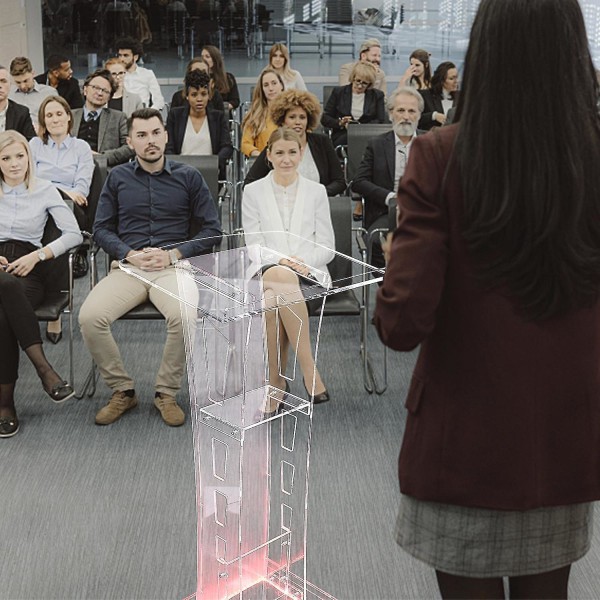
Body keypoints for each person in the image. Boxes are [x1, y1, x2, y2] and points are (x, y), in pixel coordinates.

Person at [374, 1, 600, 598]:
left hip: (463, 441)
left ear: (485, 53)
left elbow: (401, 322)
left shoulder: (439, 155)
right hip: (562, 436)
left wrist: (400, 245)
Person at [79, 108, 222, 427]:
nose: (150, 141)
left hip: (173, 267)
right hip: (129, 268)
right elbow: (100, 229)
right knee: (89, 317)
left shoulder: (189, 177)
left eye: (155, 133)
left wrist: (173, 254)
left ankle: (166, 393)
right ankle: (123, 390)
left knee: (185, 315)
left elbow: (213, 231)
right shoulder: (117, 178)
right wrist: (127, 253)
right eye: (141, 135)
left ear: (166, 135)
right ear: (130, 142)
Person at [242, 127, 333, 411]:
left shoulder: (317, 191)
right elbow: (253, 246)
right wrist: (282, 262)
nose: (286, 159)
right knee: (280, 278)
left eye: (292, 152)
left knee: (272, 301)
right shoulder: (252, 191)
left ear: (301, 153)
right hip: (266, 269)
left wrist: (301, 263)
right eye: (279, 153)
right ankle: (310, 371)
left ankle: (276, 383)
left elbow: (328, 246)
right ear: (268, 156)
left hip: (310, 275)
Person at [0, 130, 82, 438]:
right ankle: (44, 368)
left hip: (28, 269)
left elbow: (73, 234)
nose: (13, 164)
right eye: (5, 158)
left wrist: (38, 256)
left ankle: (5, 404)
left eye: (19, 156)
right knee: (4, 287)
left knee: (3, 312)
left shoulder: (45, 189)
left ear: (28, 157)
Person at [30, 95, 94, 343]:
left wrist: (61, 191)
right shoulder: (34, 145)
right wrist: (57, 188)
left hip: (69, 208)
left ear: (69, 116)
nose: (55, 119)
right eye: (49, 115)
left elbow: (81, 189)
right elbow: (28, 180)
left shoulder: (81, 148)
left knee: (53, 232)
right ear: (43, 121)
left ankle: (54, 310)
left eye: (59, 113)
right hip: (37, 204)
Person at [352, 87, 423, 268]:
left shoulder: (432, 143)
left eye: (411, 111)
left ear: (419, 115)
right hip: (386, 210)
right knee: (377, 241)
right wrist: (391, 198)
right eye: (400, 110)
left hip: (423, 209)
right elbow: (359, 182)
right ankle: (390, 286)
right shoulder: (376, 145)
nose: (406, 116)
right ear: (391, 114)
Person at [244, 89, 346, 197]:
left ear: (308, 120)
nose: (298, 122)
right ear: (282, 120)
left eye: (302, 117)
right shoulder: (275, 145)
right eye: (292, 117)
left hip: (316, 205)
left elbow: (340, 182)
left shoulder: (322, 142)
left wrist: (317, 194)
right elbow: (249, 183)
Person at [166, 70, 233, 178]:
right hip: (180, 173)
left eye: (203, 94)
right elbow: (169, 147)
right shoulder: (175, 116)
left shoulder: (218, 117)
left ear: (209, 96)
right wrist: (176, 167)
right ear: (187, 96)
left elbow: (227, 147)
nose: (199, 99)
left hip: (210, 172)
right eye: (194, 95)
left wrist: (213, 164)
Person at [71, 69, 134, 167]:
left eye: (105, 91)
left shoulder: (119, 117)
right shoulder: (70, 116)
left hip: (105, 171)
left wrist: (101, 158)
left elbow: (129, 147)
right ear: (85, 90)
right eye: (96, 88)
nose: (100, 93)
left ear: (109, 97)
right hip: (72, 167)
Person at [322, 62, 387, 146]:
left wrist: (360, 128)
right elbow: (325, 118)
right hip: (343, 134)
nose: (360, 86)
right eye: (358, 81)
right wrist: (340, 123)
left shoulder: (377, 95)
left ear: (370, 84)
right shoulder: (339, 93)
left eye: (364, 83)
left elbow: (380, 120)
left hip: (368, 134)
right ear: (353, 78)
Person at [241, 68, 284, 157]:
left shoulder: (292, 112)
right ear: (262, 89)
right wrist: (259, 156)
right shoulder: (255, 116)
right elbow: (245, 144)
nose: (271, 88)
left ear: (281, 86)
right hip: (264, 162)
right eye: (266, 85)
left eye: (274, 83)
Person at [8, 56, 58, 130]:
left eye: (26, 81)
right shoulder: (8, 94)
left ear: (33, 73)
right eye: (18, 82)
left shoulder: (49, 93)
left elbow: (57, 119)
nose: (23, 86)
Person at [116, 36, 165, 110]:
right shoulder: (114, 75)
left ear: (135, 57)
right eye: (120, 55)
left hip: (142, 114)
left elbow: (159, 101)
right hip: (120, 115)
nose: (121, 59)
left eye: (126, 55)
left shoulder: (147, 74)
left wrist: (148, 114)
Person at [417, 61, 459, 130]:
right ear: (441, 80)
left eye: (456, 78)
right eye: (451, 78)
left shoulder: (462, 97)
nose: (456, 82)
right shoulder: (425, 95)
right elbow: (415, 118)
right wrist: (433, 115)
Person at [0, 65, 36, 141]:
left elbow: (31, 142)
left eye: (3, 81)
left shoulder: (21, 113)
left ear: (10, 85)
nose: (0, 86)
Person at [201, 45, 240, 110]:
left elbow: (235, 101)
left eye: (207, 57)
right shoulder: (198, 77)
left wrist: (221, 107)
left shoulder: (228, 78)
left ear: (215, 59)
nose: (204, 60)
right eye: (202, 57)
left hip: (223, 114)